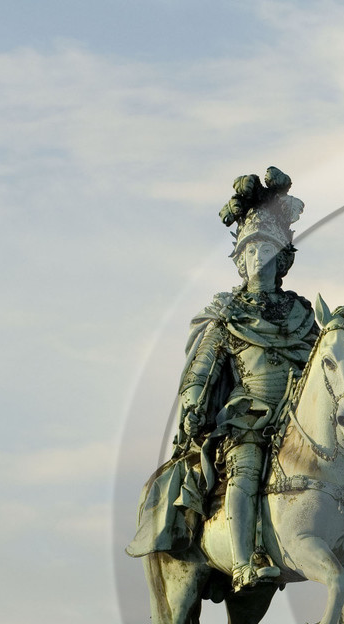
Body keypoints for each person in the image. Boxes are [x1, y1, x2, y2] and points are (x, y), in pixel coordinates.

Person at [127, 168, 319, 591]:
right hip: (250, 414)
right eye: (251, 251)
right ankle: (245, 561)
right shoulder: (227, 312)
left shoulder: (305, 315)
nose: (259, 259)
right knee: (246, 465)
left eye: (269, 249)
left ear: (282, 258)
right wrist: (193, 405)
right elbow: (202, 368)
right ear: (240, 260)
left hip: (299, 420)